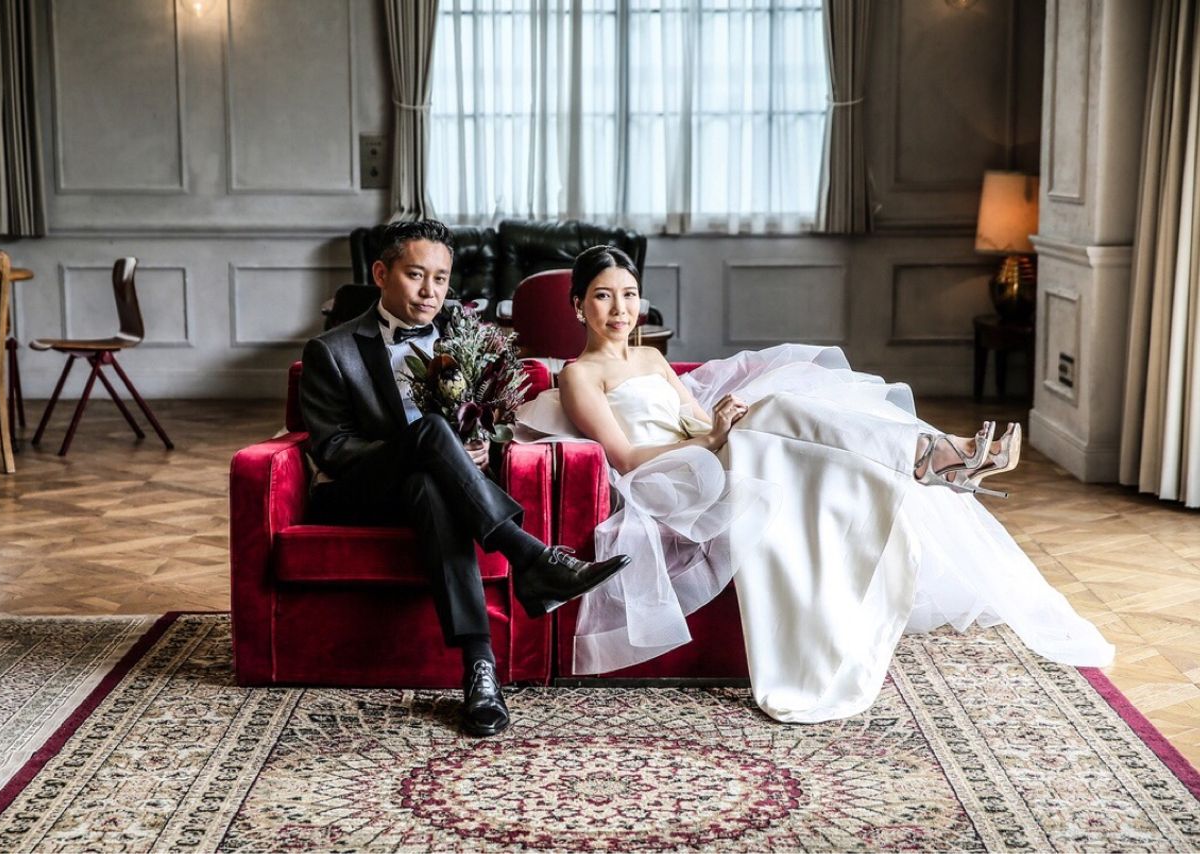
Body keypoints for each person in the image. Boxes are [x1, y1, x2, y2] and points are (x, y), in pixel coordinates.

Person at [517, 245, 1113, 724]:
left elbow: (695, 418)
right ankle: (935, 457)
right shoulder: (580, 375)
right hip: (665, 477)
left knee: (780, 406)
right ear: (578, 307)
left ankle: (927, 457)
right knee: (779, 410)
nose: (620, 309)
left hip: (704, 448)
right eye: (603, 296)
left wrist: (721, 425)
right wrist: (712, 440)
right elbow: (625, 457)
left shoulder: (650, 360)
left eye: (628, 294)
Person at [299, 221, 630, 737]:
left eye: (441, 278)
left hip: (434, 491)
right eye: (415, 275)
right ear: (381, 273)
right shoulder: (331, 349)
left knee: (430, 485)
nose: (430, 291)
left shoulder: (464, 332)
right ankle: (530, 556)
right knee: (431, 436)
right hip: (361, 490)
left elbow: (496, 418)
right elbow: (334, 449)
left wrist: (479, 445)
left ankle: (480, 669)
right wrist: (429, 448)